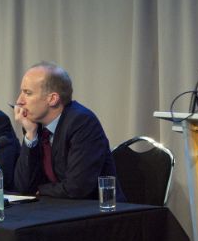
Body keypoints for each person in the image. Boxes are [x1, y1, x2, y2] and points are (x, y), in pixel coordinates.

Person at [13, 61, 121, 200]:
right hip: (57, 209)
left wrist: (39, 190)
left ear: (52, 99)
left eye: (27, 93)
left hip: (97, 212)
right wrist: (30, 135)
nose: (19, 101)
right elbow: (23, 187)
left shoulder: (82, 122)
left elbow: (77, 187)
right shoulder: (35, 126)